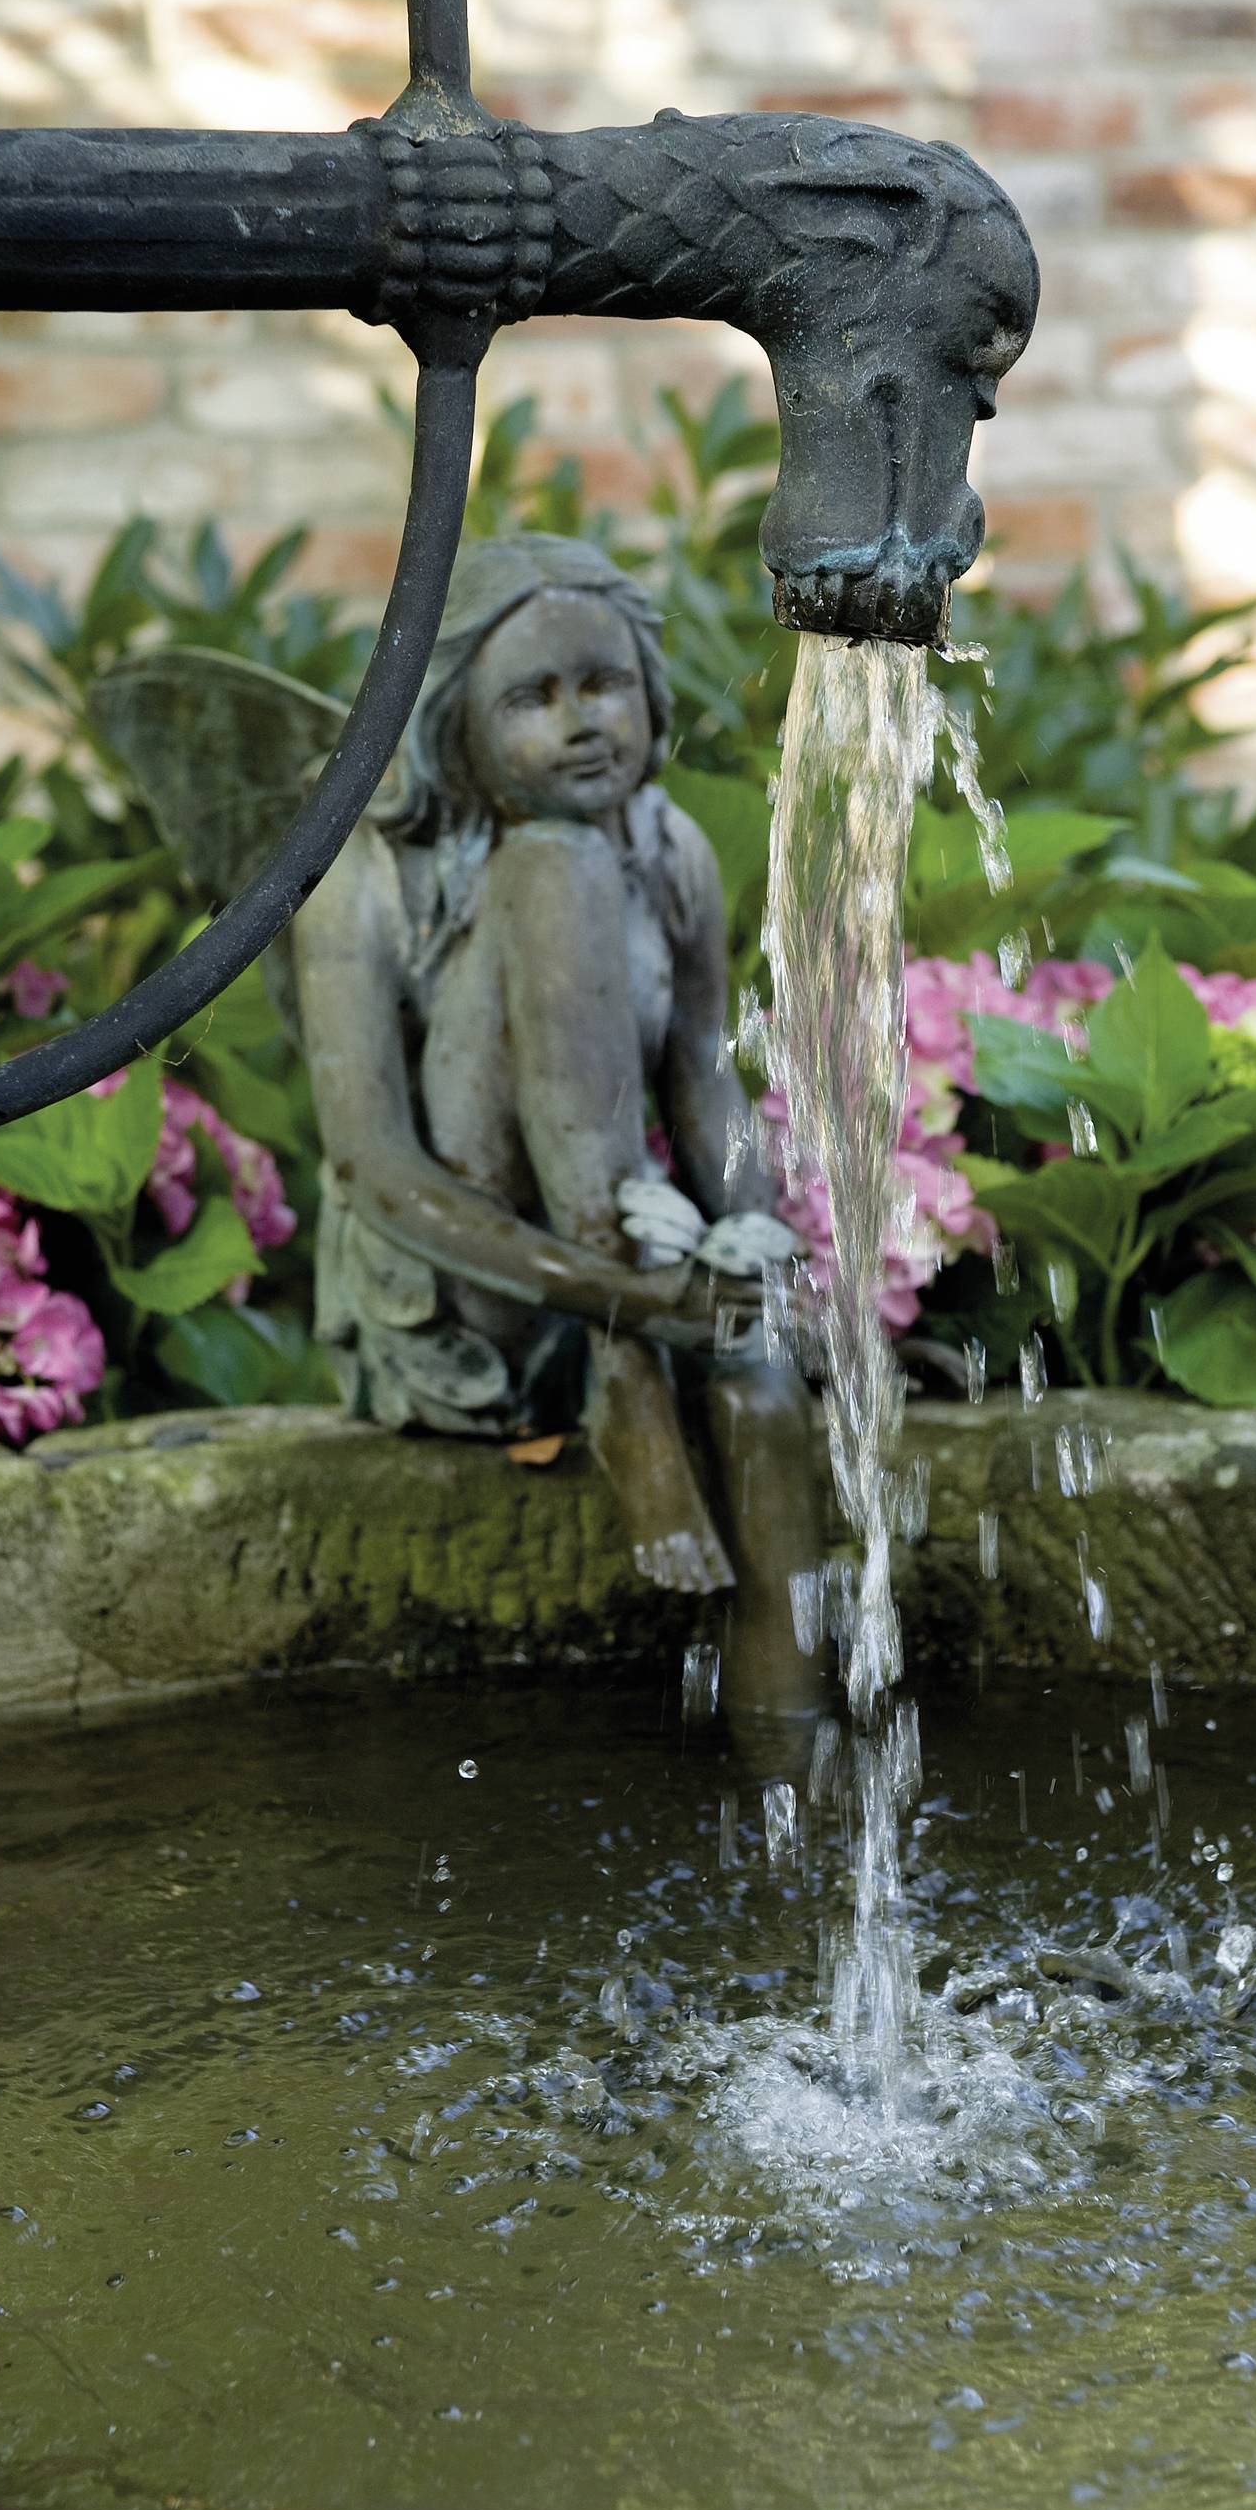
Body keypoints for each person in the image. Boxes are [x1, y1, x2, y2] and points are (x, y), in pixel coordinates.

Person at [288, 531, 824, 1721]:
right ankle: (626, 1372)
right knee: (550, 869)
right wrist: (617, 1298)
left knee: (761, 1385)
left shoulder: (670, 844)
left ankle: (787, 1737)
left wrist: (753, 1231)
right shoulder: (359, 876)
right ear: (455, 724)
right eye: (534, 695)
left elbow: (703, 1075)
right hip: (472, 1298)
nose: (583, 722)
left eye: (606, 685)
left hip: (637, 1263)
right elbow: (370, 1166)